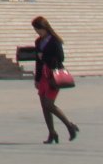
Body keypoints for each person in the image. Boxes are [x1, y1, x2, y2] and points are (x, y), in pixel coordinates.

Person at [30, 15, 80, 144]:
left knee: (49, 104)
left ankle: (70, 126)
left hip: (53, 75)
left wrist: (44, 57)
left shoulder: (54, 40)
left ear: (44, 28)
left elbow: (60, 58)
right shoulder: (38, 41)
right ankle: (52, 133)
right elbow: (38, 61)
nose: (37, 32)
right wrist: (37, 78)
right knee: (44, 106)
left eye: (38, 29)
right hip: (43, 76)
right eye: (35, 30)